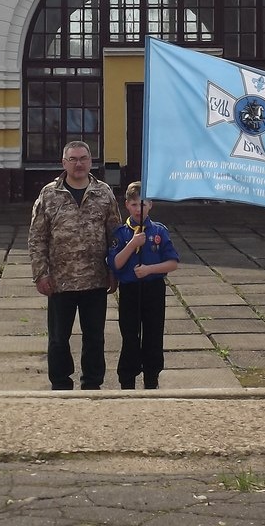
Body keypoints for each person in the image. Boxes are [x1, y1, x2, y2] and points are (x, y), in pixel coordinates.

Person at [28, 140, 121, 390]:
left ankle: (92, 383)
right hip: (60, 280)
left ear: (91, 162)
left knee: (95, 338)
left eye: (83, 158)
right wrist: (40, 274)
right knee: (59, 339)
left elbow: (115, 235)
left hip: (95, 279)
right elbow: (37, 237)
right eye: (73, 159)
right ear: (64, 163)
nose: (78, 164)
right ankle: (60, 383)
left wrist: (115, 271)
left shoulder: (104, 193)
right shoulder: (49, 194)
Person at [108, 181, 180, 390]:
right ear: (127, 205)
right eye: (134, 205)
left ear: (151, 205)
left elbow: (173, 263)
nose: (139, 209)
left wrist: (149, 269)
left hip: (153, 289)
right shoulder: (121, 234)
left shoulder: (159, 231)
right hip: (130, 290)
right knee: (130, 336)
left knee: (153, 335)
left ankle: (152, 377)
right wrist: (132, 245)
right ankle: (127, 380)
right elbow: (115, 263)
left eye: (143, 204)